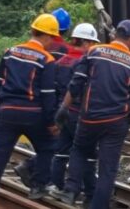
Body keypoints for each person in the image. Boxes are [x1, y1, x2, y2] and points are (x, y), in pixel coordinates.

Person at [55, 20, 130, 208]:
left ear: (115, 35)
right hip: (115, 123)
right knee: (107, 170)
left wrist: (64, 107)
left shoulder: (94, 52)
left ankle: (70, 191)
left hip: (89, 117)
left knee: (79, 150)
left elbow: (77, 83)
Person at [0, 14, 61, 208]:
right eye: (52, 38)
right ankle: (38, 185)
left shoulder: (11, 52)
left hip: (7, 111)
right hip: (33, 114)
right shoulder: (47, 60)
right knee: (49, 147)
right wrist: (50, 122)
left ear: (32, 31)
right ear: (47, 36)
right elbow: (48, 95)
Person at [14, 22, 100, 194]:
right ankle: (89, 192)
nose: (93, 47)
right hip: (77, 112)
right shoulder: (85, 64)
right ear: (85, 43)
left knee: (60, 150)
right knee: (85, 152)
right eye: (92, 43)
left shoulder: (60, 61)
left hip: (60, 112)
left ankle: (56, 184)